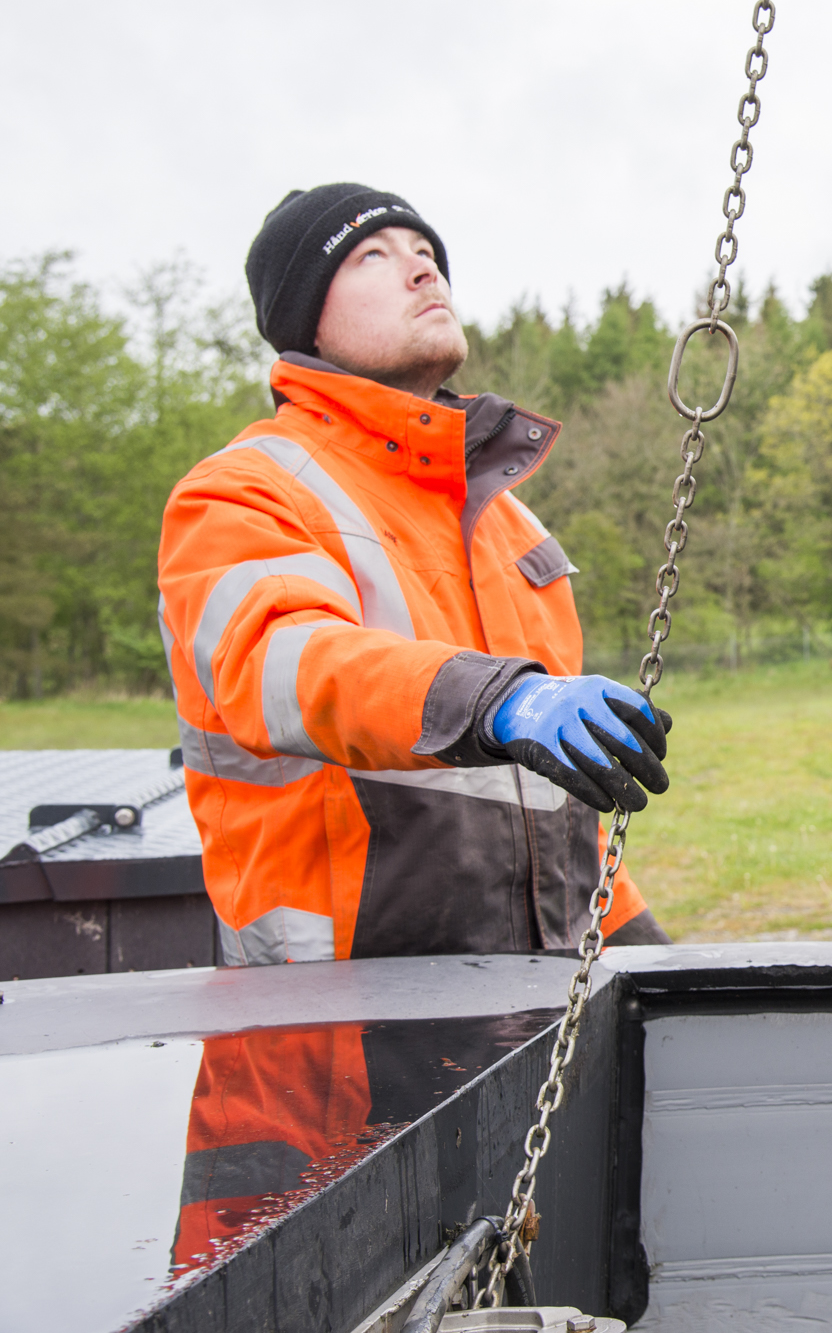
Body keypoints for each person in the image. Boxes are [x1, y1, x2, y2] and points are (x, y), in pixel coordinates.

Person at [157, 184, 673, 963]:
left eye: (428, 254)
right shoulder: (242, 490)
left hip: (538, 995)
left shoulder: (511, 521)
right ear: (307, 321)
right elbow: (285, 664)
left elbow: (558, 807)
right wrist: (498, 698)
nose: (424, 272)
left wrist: (637, 943)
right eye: (373, 255)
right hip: (337, 1024)